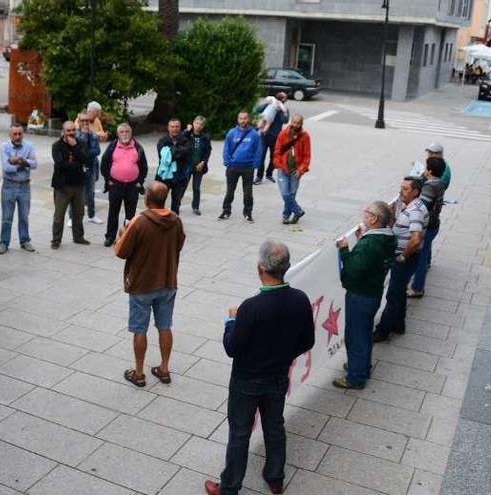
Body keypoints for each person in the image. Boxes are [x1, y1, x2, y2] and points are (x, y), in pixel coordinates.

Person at [204, 240, 314, 495]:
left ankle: (230, 487)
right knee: (274, 426)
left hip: (247, 380)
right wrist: (284, 356)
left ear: (260, 268)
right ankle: (275, 477)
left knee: (240, 433)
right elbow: (307, 340)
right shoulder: (299, 299)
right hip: (278, 377)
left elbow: (232, 347)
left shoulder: (250, 308)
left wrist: (231, 321)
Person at [115, 182, 185, 388]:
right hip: (167, 280)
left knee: (140, 329)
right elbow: (178, 245)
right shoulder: (176, 221)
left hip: (142, 285)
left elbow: (120, 251)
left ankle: (138, 373)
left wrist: (122, 235)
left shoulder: (139, 222)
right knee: (165, 326)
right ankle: (164, 369)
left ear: (147, 199)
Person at [332, 202, 396, 390]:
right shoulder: (386, 237)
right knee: (365, 332)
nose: (363, 214)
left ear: (375, 219)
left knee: (355, 335)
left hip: (360, 295)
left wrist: (344, 249)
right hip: (373, 293)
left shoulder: (370, 243)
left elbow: (354, 270)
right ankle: (361, 366)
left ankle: (356, 376)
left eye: (367, 212)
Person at [373, 177, 427, 342]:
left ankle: (383, 331)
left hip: (405, 259)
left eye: (405, 189)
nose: (400, 191)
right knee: (400, 292)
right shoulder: (410, 207)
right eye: (401, 188)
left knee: (393, 295)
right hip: (404, 257)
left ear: (415, 192)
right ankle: (398, 324)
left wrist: (403, 256)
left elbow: (416, 238)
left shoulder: (416, 210)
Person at [101, 123, 148, 247]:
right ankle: (110, 237)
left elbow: (144, 167)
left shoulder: (138, 147)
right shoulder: (112, 146)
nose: (125, 134)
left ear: (131, 133)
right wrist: (108, 180)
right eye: (122, 132)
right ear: (118, 134)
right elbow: (104, 164)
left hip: (132, 187)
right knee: (113, 212)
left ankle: (127, 237)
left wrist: (140, 181)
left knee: (130, 214)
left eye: (127, 131)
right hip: (115, 185)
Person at [408, 157, 447, 298]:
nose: (424, 169)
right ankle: (427, 264)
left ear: (430, 170)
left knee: (420, 257)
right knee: (426, 249)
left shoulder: (429, 187)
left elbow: (422, 206)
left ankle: (417, 288)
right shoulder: (439, 183)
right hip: (434, 223)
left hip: (428, 225)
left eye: (426, 167)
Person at [0, 124, 38, 254]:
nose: (17, 136)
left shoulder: (29, 145)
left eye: (20, 134)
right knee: (7, 217)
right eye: (14, 134)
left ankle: (25, 240)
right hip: (9, 185)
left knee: (24, 217)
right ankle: (4, 243)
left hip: (25, 186)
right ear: (10, 135)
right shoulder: (4, 147)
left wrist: (17, 160)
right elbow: (7, 168)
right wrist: (24, 163)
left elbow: (35, 164)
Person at [51, 121, 91, 249]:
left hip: (78, 185)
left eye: (73, 130)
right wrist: (76, 164)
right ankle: (56, 240)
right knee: (59, 215)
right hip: (62, 186)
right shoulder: (56, 146)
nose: (71, 133)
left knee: (79, 213)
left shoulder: (80, 144)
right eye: (68, 131)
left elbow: (86, 160)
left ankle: (78, 237)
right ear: (63, 132)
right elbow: (59, 165)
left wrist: (75, 148)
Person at [219, 111, 261, 222]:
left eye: (245, 118)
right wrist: (228, 162)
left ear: (249, 119)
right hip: (233, 167)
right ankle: (226, 211)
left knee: (248, 193)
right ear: (238, 119)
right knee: (230, 192)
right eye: (241, 118)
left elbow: (258, 151)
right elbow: (226, 148)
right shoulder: (232, 133)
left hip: (248, 167)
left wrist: (255, 165)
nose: (243, 120)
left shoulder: (254, 134)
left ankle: (248, 213)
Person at [272, 114, 311, 224]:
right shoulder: (283, 133)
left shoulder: (305, 136)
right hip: (283, 169)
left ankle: (286, 215)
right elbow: (277, 150)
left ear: (301, 124)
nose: (295, 125)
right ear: (291, 122)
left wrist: (301, 170)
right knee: (285, 193)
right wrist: (278, 164)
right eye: (294, 122)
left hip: (296, 170)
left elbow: (307, 156)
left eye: (298, 123)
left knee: (291, 194)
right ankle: (298, 211)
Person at [69, 112, 102, 226]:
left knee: (90, 192)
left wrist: (84, 154)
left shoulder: (92, 135)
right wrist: (83, 138)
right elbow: (73, 148)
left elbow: (97, 150)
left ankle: (91, 215)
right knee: (74, 191)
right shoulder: (74, 134)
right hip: (76, 168)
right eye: (82, 121)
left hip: (90, 167)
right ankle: (71, 217)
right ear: (78, 122)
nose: (84, 123)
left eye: (86, 121)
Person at [155, 118, 193, 215]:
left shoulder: (185, 140)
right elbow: (163, 158)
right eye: (172, 126)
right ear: (168, 128)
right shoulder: (162, 140)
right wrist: (179, 152)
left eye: (177, 126)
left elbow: (187, 154)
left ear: (180, 128)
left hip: (179, 177)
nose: (174, 129)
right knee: (159, 202)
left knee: (176, 204)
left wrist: (170, 152)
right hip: (164, 177)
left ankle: (174, 224)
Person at [255, 92, 288, 185]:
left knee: (274, 157)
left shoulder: (284, 108)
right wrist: (266, 103)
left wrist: (280, 111)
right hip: (264, 136)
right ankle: (259, 176)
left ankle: (269, 174)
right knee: (261, 156)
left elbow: (285, 120)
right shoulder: (270, 104)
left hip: (276, 137)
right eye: (285, 97)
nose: (286, 99)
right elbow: (257, 109)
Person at [183, 116, 212, 216]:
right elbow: (180, 140)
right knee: (182, 186)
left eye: (201, 124)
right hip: (187, 165)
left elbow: (208, 151)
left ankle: (195, 206)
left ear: (203, 126)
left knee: (196, 187)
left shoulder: (205, 137)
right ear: (193, 123)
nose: (198, 126)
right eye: (197, 123)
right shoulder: (187, 134)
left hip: (199, 166)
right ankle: (176, 204)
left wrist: (203, 162)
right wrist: (187, 131)